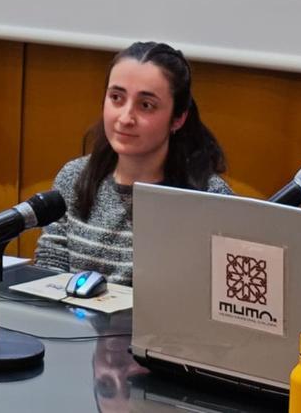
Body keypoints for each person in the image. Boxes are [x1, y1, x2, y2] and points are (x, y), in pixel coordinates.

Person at [35, 42, 232, 285]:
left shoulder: (210, 198)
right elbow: (48, 273)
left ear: (178, 118)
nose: (126, 118)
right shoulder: (74, 177)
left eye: (146, 105)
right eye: (116, 98)